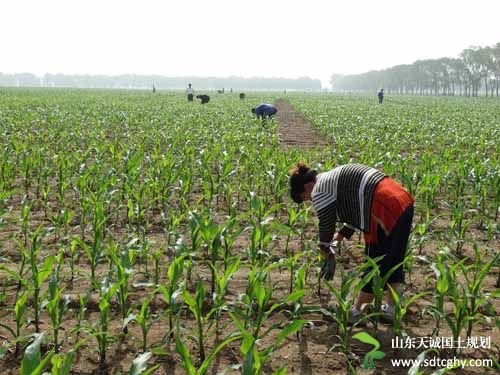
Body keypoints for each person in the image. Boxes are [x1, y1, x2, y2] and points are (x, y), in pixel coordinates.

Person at [289, 162, 414, 323]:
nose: (311, 200)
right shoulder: (330, 179)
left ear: (307, 186)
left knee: (374, 263)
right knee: (394, 259)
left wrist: (325, 252)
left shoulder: (319, 189)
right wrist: (339, 237)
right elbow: (355, 211)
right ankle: (392, 309)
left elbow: (326, 226)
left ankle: (357, 313)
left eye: (306, 197)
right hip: (401, 200)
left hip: (381, 205)